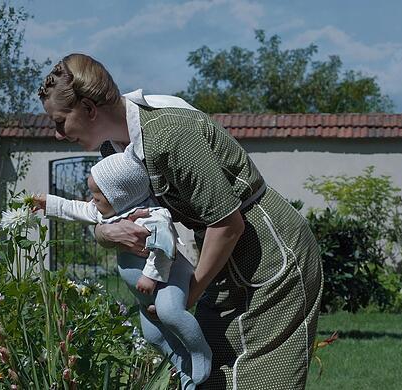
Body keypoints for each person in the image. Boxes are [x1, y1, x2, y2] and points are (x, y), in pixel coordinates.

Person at [37, 53, 323, 390]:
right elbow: (107, 215)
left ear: (88, 108)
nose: (57, 134)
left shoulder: (170, 135)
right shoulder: (113, 152)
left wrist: (189, 296)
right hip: (220, 258)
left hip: (271, 253)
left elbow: (228, 225)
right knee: (211, 373)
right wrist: (105, 233)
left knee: (262, 378)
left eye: (60, 121)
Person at [33, 151, 212, 387]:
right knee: (153, 335)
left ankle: (200, 353)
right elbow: (76, 208)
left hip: (168, 279)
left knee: (170, 312)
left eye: (98, 196)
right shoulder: (110, 212)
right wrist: (48, 203)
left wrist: (150, 276)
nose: (92, 199)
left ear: (120, 196)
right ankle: (182, 363)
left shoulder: (153, 216)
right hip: (145, 294)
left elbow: (164, 248)